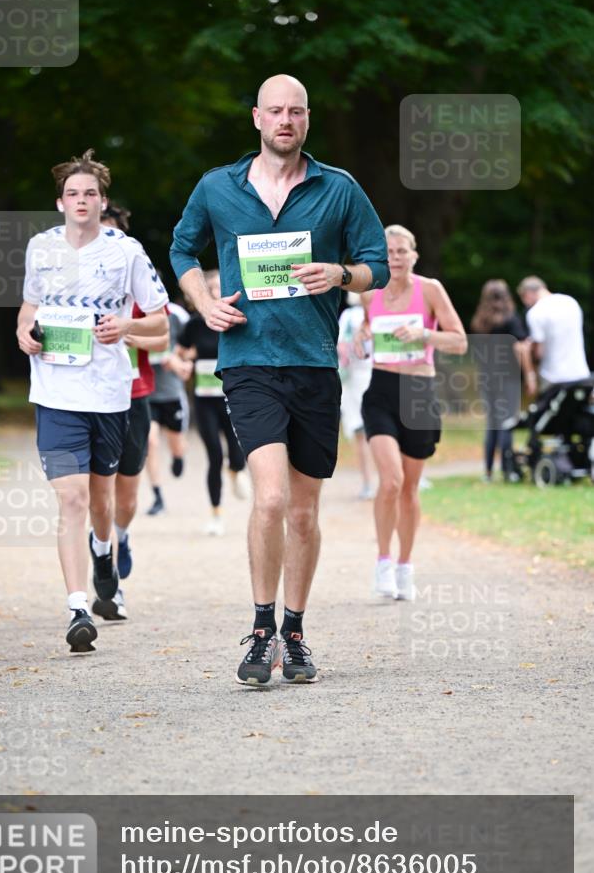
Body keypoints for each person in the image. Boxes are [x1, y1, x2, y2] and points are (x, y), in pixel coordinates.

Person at [170, 74, 389, 685]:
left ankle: (294, 632)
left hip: (316, 363)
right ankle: (261, 626)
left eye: (296, 110)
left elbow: (375, 264)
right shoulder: (218, 187)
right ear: (257, 119)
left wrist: (340, 275)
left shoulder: (339, 189)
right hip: (248, 360)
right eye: (275, 111)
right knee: (269, 498)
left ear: (307, 120)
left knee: (303, 512)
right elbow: (183, 250)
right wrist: (202, 305)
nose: (285, 120)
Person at [17, 151, 168, 651]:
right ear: (60, 202)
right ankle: (78, 606)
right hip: (56, 392)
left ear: (103, 202)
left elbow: (162, 323)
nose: (82, 201)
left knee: (103, 501)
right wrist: (25, 332)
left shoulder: (126, 252)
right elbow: (30, 306)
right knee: (73, 498)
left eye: (90, 194)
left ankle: (104, 552)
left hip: (108, 394)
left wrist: (126, 326)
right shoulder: (40, 248)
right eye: (73, 194)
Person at [356, 224, 467, 601]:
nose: (395, 258)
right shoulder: (370, 295)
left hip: (420, 393)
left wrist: (424, 336)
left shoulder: (431, 290)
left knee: (408, 488)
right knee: (390, 481)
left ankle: (405, 565)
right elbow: (369, 331)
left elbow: (459, 340)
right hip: (381, 392)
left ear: (413, 255)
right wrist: (361, 337)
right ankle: (383, 562)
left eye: (402, 251)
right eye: (388, 252)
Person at [94, 204, 170, 620]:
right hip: (88, 397)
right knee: (94, 490)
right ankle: (104, 563)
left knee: (126, 493)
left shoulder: (137, 282)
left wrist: (124, 334)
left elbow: (161, 340)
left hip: (134, 393)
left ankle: (119, 537)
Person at [175, 270, 249, 536]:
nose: (216, 291)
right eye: (211, 288)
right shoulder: (195, 325)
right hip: (204, 400)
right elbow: (179, 353)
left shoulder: (239, 321)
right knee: (214, 456)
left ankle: (237, 468)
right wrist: (184, 364)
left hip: (234, 398)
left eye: (220, 286)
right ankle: (216, 514)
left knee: (237, 451)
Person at [470, 279, 528, 482]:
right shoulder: (511, 320)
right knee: (507, 423)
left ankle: (487, 471)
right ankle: (507, 470)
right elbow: (520, 347)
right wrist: (528, 374)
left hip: (486, 378)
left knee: (492, 424)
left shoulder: (479, 322)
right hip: (509, 378)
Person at [145, 298, 192, 517]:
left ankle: (178, 455)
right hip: (146, 393)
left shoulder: (177, 315)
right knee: (150, 441)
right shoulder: (132, 314)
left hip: (172, 393)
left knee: (177, 444)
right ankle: (157, 496)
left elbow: (192, 346)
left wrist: (180, 360)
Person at [517, 276, 590, 395]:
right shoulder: (571, 302)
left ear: (528, 294)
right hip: (580, 373)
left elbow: (538, 353)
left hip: (553, 378)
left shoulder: (536, 312)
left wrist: (527, 351)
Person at [337, 291, 375, 499]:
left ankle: (377, 481)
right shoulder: (349, 316)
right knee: (361, 433)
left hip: (372, 377)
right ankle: (368, 482)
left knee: (378, 433)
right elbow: (341, 348)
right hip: (354, 381)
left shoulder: (379, 313)